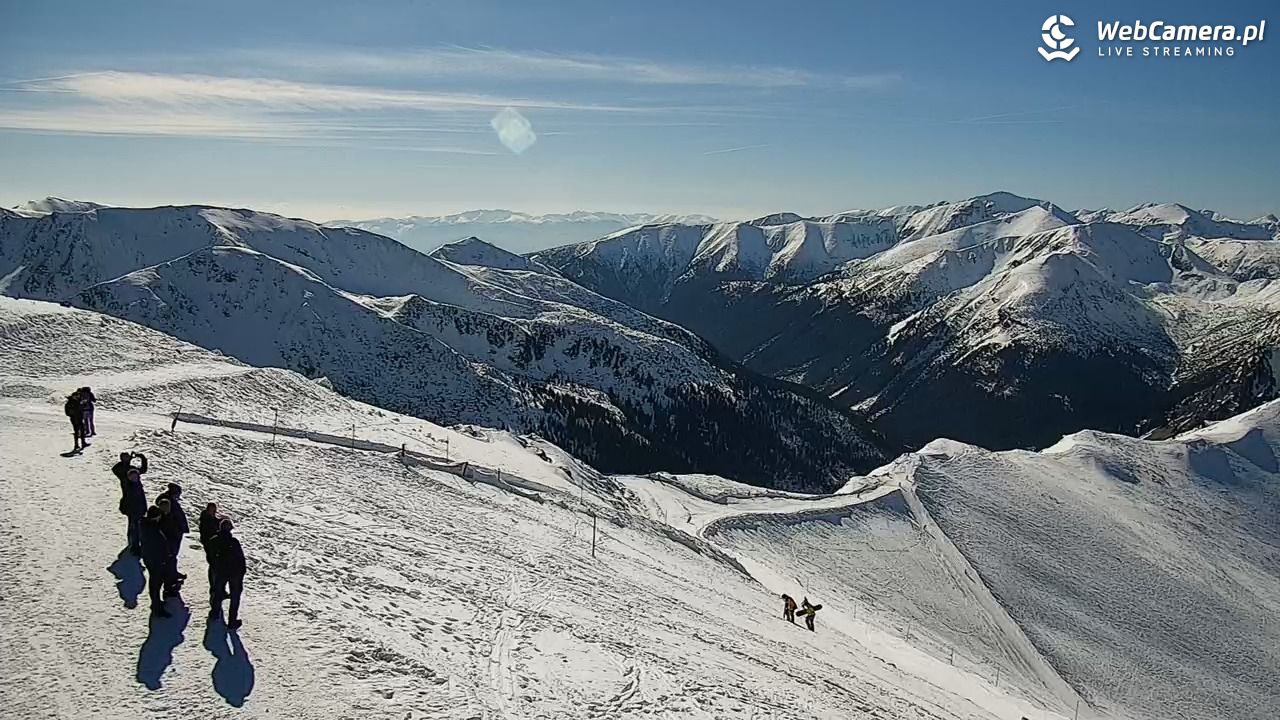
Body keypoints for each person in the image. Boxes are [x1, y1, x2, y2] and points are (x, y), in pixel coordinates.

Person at [211, 518, 246, 630]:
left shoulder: (214, 540)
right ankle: (232, 621)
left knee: (217, 592)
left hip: (220, 572)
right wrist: (242, 572)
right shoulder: (234, 542)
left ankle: (215, 613)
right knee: (235, 596)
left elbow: (211, 557)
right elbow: (241, 559)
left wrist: (216, 567)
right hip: (234, 573)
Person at [139, 506, 174, 617]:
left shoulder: (145, 525)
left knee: (155, 582)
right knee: (156, 583)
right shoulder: (152, 530)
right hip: (156, 560)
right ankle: (156, 606)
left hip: (150, 558)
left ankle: (156, 602)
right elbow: (158, 546)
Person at [118, 462, 148, 556]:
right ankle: (134, 547)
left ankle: (134, 545)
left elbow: (142, 498)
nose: (135, 478)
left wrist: (144, 508)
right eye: (133, 477)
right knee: (135, 529)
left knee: (135, 529)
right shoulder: (129, 486)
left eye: (136, 476)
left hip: (138, 510)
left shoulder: (137, 485)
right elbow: (131, 499)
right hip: (133, 511)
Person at [199, 503, 223, 607]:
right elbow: (208, 533)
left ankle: (217, 588)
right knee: (213, 567)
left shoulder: (209, 518)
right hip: (210, 547)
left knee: (216, 567)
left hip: (214, 546)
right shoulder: (205, 521)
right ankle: (214, 587)